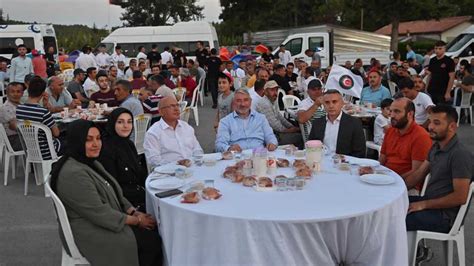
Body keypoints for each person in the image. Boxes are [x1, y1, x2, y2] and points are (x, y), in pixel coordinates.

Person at [50, 119, 162, 266]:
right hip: (89, 230)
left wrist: (133, 212)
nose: (96, 144)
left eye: (98, 138)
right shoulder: (73, 173)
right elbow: (99, 213)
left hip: (101, 219)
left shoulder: (88, 161)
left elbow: (115, 191)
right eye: (88, 140)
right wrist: (137, 221)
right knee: (151, 242)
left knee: (154, 232)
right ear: (77, 141)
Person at [405, 106, 472, 263]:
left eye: (437, 123)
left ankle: (408, 257)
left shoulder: (460, 155)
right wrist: (393, 190)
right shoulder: (436, 146)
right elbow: (418, 175)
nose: (430, 127)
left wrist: (424, 204)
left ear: (452, 126)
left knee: (394, 219)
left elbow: (460, 197)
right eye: (430, 122)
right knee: (391, 208)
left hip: (446, 216)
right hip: (431, 204)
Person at [98, 108, 148, 210]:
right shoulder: (106, 149)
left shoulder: (128, 144)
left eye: (129, 122)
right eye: (120, 122)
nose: (126, 126)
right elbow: (112, 185)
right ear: (113, 123)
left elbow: (139, 172)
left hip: (139, 194)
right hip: (124, 203)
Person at [379, 97, 432, 194]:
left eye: (397, 111)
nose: (392, 115)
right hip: (385, 179)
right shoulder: (391, 131)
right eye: (391, 111)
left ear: (410, 114)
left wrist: (393, 181)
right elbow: (382, 160)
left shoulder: (421, 136)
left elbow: (417, 173)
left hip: (407, 186)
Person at [144, 96, 203, 168]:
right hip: (168, 172)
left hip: (192, 167)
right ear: (161, 112)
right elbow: (154, 160)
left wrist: (194, 162)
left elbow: (197, 149)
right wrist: (177, 165)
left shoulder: (186, 127)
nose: (176, 109)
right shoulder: (153, 133)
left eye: (177, 105)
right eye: (171, 106)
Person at [308, 90, 366, 157]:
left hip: (345, 164)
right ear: (323, 105)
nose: (331, 106)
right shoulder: (317, 123)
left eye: (334, 102)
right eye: (327, 102)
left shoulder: (354, 123)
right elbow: (311, 146)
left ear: (342, 103)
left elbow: (360, 152)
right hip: (321, 161)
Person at [16, 76, 62, 159]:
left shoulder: (19, 109)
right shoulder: (43, 112)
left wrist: (45, 104)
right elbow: (56, 133)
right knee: (72, 142)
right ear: (43, 93)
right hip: (47, 151)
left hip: (30, 150)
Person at [256, 80, 302, 147]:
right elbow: (275, 125)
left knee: (297, 130)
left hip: (276, 132)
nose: (275, 93)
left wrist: (291, 127)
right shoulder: (264, 103)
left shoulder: (272, 100)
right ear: (265, 92)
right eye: (272, 90)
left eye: (276, 90)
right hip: (271, 136)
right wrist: (290, 130)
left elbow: (280, 117)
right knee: (300, 137)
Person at [0, 82, 25, 150]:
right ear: (7, 94)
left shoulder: (22, 105)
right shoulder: (5, 108)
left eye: (18, 91)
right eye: (12, 92)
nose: (15, 94)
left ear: (22, 93)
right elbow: (16, 127)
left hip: (23, 136)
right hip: (13, 139)